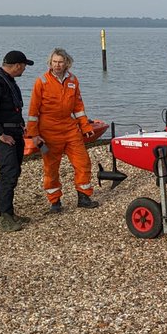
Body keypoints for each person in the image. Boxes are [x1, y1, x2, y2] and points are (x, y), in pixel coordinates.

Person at [25, 48, 100, 212]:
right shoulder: (42, 81)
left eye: (60, 62)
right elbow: (33, 111)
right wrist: (34, 135)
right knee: (51, 168)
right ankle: (55, 202)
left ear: (66, 63)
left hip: (70, 129)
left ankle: (84, 197)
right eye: (54, 62)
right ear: (50, 63)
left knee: (83, 163)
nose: (57, 65)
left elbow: (78, 107)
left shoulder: (73, 80)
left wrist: (85, 127)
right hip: (49, 131)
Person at [0, 50, 34, 232]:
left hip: (14, 131)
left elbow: (11, 108)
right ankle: (4, 217)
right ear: (17, 65)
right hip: (2, 134)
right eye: (24, 65)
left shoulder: (8, 81)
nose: (25, 69)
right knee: (9, 172)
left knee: (14, 170)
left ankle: (9, 213)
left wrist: (21, 126)